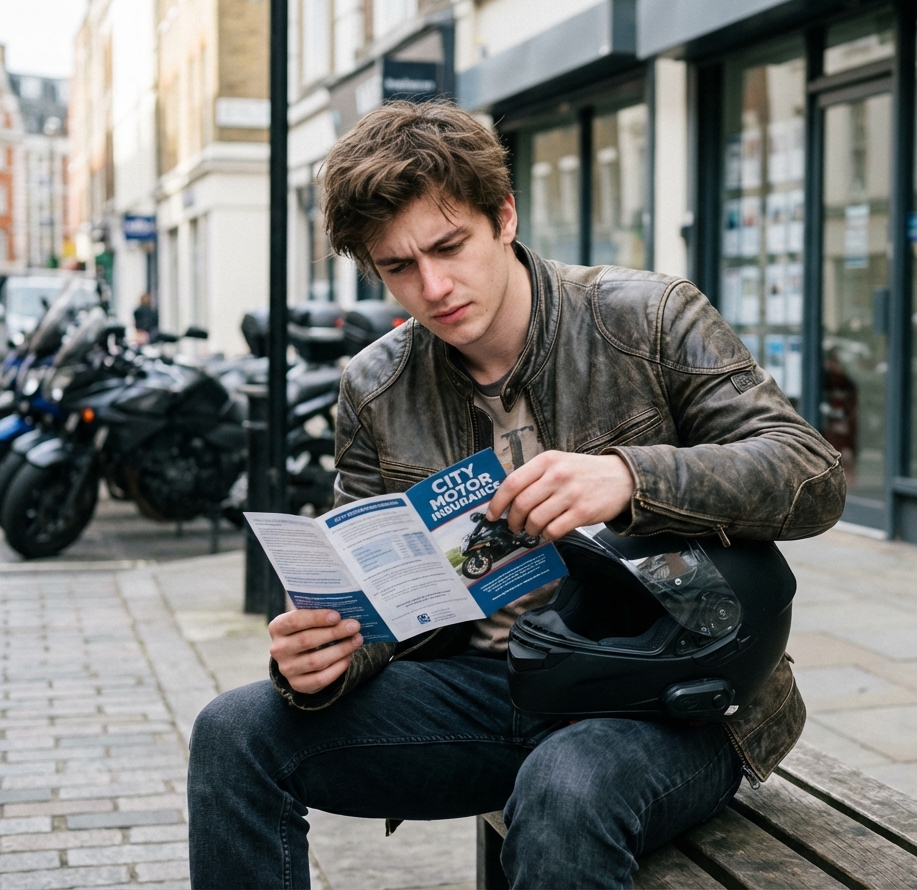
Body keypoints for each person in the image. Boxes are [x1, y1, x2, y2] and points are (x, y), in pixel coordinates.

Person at [187, 100, 845, 889]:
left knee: (566, 786)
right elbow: (372, 608)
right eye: (398, 267)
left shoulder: (648, 316)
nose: (432, 287)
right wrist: (322, 655)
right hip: (490, 686)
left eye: (448, 246)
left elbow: (811, 473)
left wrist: (631, 478)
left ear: (503, 216)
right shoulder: (374, 386)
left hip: (667, 689)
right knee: (233, 731)